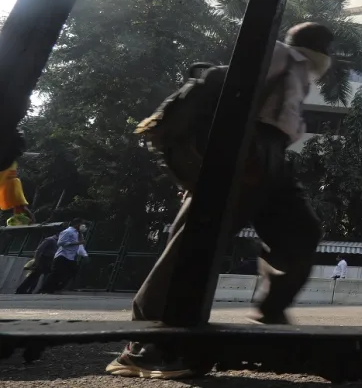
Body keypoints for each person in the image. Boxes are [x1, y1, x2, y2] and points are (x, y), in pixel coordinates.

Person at [106, 22, 332, 379]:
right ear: (319, 49)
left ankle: (270, 312)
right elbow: (223, 80)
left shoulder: (299, 71)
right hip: (246, 151)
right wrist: (214, 155)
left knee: (301, 231)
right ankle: (148, 342)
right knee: (197, 239)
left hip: (271, 157)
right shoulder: (280, 54)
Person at [40, 218, 86, 294]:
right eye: (82, 224)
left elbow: (81, 243)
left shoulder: (78, 233)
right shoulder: (68, 231)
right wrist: (77, 243)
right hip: (62, 255)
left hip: (71, 257)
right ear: (77, 224)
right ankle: (45, 289)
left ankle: (57, 288)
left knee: (71, 272)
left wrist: (80, 234)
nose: (83, 226)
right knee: (56, 273)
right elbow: (60, 242)